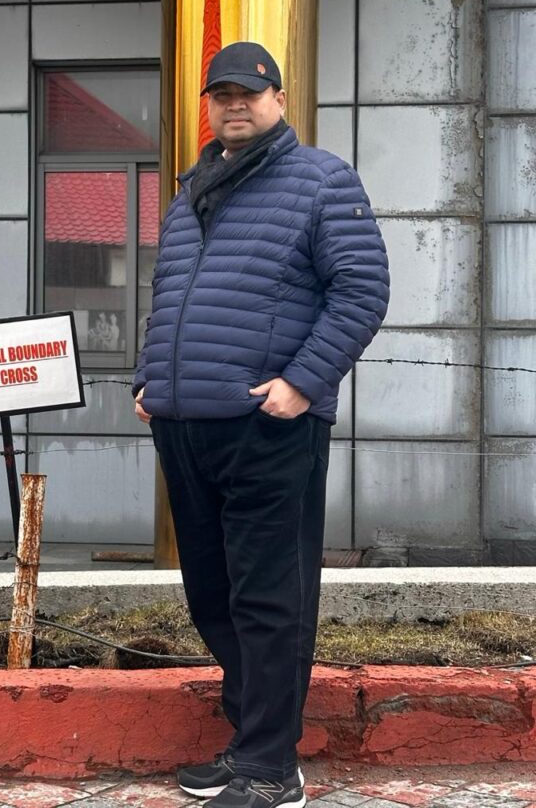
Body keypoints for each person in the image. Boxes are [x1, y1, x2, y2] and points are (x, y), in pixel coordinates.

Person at [133, 42, 389, 808]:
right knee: (213, 595)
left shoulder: (320, 181)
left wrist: (301, 386)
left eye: (250, 91)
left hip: (267, 428)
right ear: (207, 104)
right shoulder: (190, 193)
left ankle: (272, 767)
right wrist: (150, 382)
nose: (234, 104)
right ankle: (248, 741)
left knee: (270, 598)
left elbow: (362, 291)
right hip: (185, 424)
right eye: (221, 93)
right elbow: (171, 298)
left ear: (279, 98)